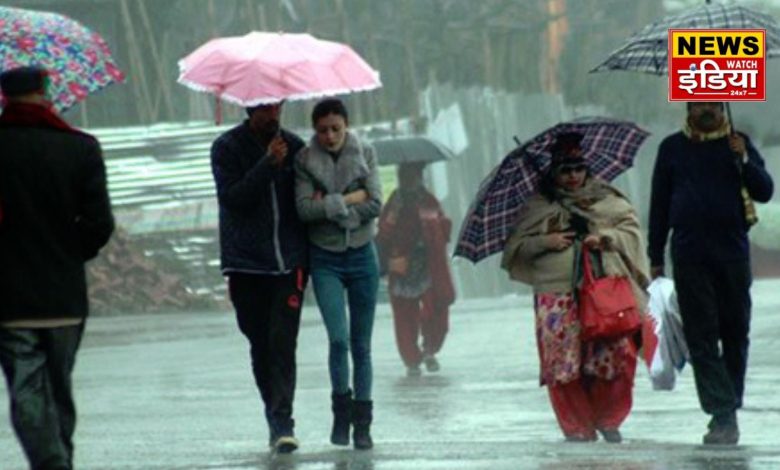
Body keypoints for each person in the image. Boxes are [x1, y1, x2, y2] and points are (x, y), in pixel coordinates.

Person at [0, 66, 115, 470]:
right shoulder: (79, 148)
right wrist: (67, 254)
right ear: (45, 92)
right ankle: (59, 460)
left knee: (27, 389)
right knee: (59, 388)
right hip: (64, 295)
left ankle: (52, 464)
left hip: (9, 298)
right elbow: (100, 224)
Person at [501, 132, 649, 443]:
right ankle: (577, 426)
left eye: (578, 168)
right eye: (565, 170)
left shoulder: (607, 200)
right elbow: (516, 250)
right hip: (556, 294)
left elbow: (631, 233)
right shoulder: (537, 207)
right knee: (562, 364)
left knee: (614, 357)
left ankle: (608, 419)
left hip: (604, 290)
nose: (572, 176)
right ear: (554, 172)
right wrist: (546, 241)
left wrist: (604, 237)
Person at [648, 102, 774, 445]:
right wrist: (654, 256)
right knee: (702, 337)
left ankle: (729, 403)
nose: (706, 110)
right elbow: (659, 204)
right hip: (689, 256)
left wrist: (745, 160)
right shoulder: (672, 148)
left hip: (731, 254)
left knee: (735, 333)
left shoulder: (738, 143)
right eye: (698, 104)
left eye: (712, 105)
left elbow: (764, 191)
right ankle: (723, 414)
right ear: (689, 108)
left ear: (722, 107)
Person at [210, 101, 308, 453]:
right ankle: (273, 413)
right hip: (246, 264)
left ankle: (283, 422)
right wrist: (266, 165)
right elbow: (233, 197)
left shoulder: (296, 147)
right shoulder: (226, 148)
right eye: (264, 109)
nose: (272, 115)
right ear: (250, 109)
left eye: (276, 107)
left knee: (283, 343)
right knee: (260, 344)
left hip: (289, 264)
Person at [295, 98, 382, 450]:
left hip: (362, 254)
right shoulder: (304, 160)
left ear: (346, 126)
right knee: (338, 339)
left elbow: (375, 202)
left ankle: (363, 422)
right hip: (325, 258)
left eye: (336, 129)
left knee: (362, 345)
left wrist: (328, 205)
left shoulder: (366, 152)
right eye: (322, 130)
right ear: (315, 131)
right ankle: (340, 409)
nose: (330, 136)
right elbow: (303, 210)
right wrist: (347, 200)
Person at [376, 162, 456, 377]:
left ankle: (430, 350)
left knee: (437, 310)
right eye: (405, 176)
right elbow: (383, 234)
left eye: (413, 176)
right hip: (400, 267)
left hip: (428, 266)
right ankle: (412, 359)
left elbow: (444, 230)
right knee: (404, 316)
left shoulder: (429, 201)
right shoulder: (394, 203)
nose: (409, 181)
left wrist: (435, 229)